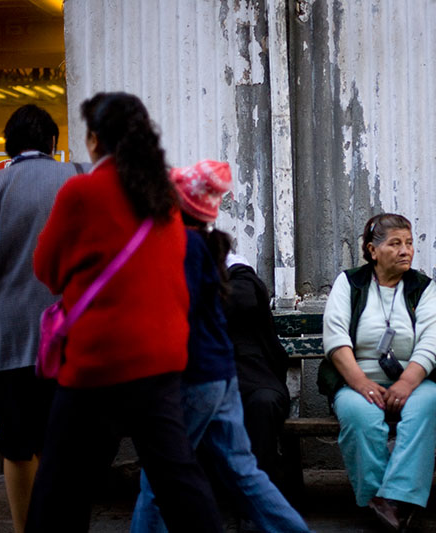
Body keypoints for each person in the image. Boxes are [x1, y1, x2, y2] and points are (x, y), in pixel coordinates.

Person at [27, 93, 221, 532]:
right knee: (179, 479)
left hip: (100, 360)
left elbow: (47, 269)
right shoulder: (164, 196)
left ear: (94, 139)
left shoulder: (82, 191)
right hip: (162, 358)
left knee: (60, 485)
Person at [131, 160, 309, 533]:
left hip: (192, 379)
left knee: (159, 476)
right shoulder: (203, 249)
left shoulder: (181, 252)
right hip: (220, 377)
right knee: (245, 473)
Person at [0, 104, 85, 533]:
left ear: (9, 146)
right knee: (60, 443)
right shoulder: (79, 179)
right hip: (70, 338)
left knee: (15, 447)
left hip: (10, 338)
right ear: (52, 143)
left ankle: (24, 527)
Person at [321, 213, 436, 531]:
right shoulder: (350, 283)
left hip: (416, 379)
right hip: (356, 378)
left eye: (409, 243)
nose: (406, 250)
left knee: (426, 406)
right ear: (373, 250)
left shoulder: (423, 287)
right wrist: (361, 383)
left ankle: (392, 501)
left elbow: (432, 341)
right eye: (395, 244)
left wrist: (407, 381)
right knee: (359, 415)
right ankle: (379, 500)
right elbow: (336, 339)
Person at [223, 252, 291, 491]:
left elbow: (243, 300)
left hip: (254, 375)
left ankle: (259, 491)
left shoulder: (238, 272)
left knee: (263, 403)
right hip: (201, 375)